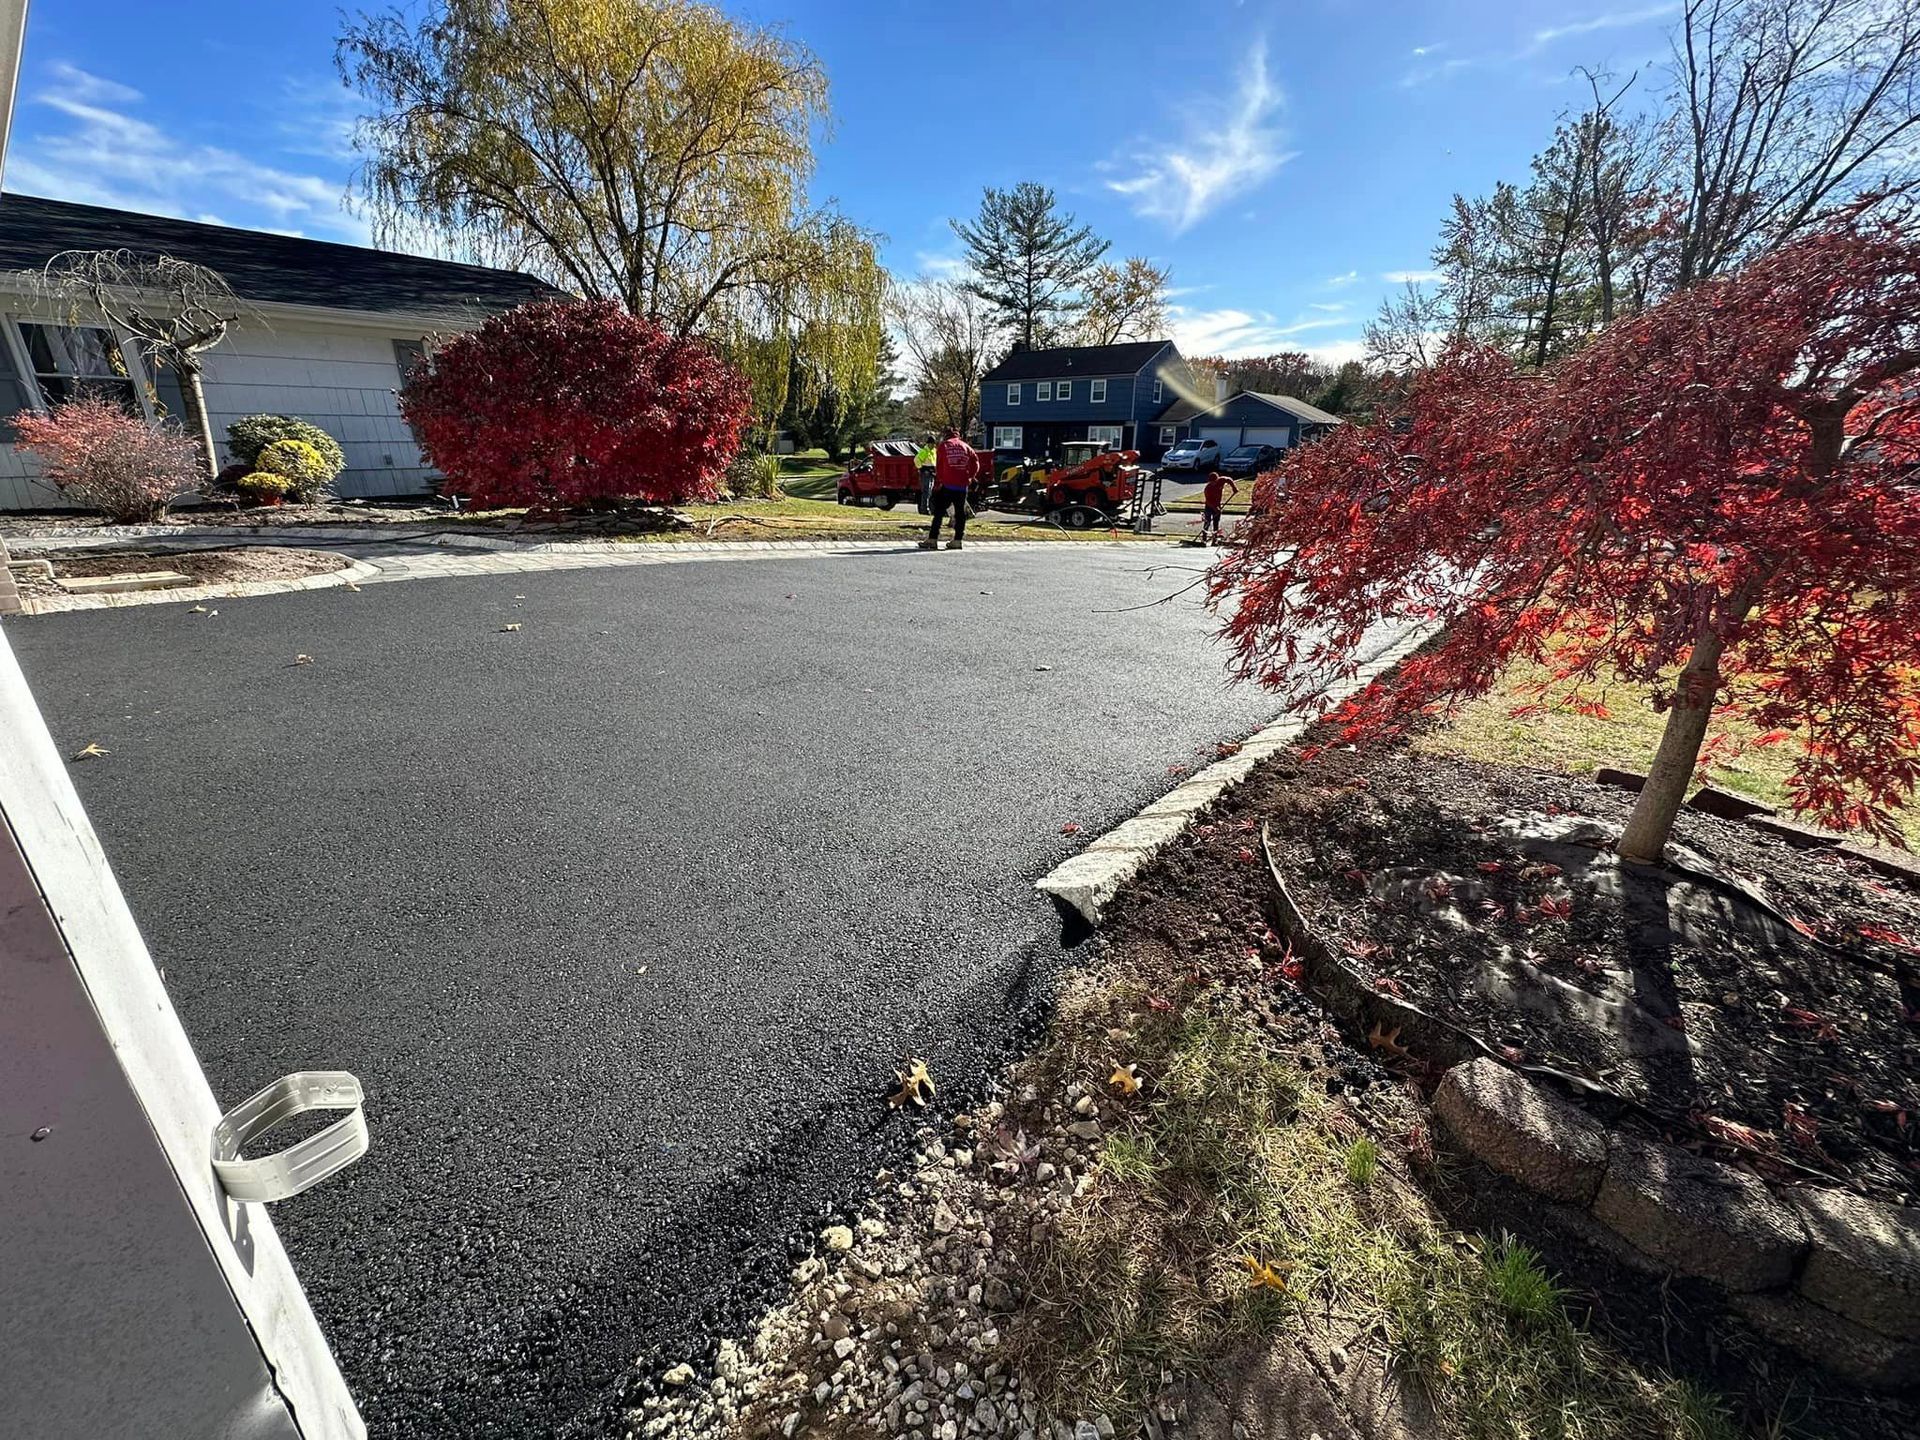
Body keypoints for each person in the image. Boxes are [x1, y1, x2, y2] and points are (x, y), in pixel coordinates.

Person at [921, 427, 978, 551]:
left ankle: (933, 539)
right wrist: (970, 477)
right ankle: (957, 540)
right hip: (962, 486)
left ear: (946, 436)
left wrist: (940, 480)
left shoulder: (943, 446)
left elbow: (939, 466)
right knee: (960, 513)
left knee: (939, 512)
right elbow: (975, 463)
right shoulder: (966, 446)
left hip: (948, 485)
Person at [1200, 471, 1239, 543]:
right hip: (1209, 506)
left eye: (1214, 481)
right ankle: (1204, 539)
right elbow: (1208, 501)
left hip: (1218, 504)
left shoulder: (1221, 480)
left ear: (1217, 479)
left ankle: (1214, 540)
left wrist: (1234, 488)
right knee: (1207, 522)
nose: (1213, 483)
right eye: (1211, 482)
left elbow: (1229, 479)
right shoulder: (1208, 488)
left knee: (1216, 523)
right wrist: (1215, 508)